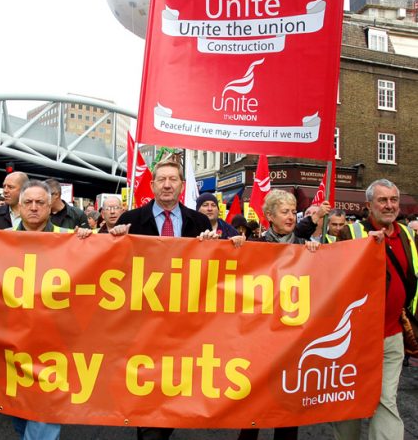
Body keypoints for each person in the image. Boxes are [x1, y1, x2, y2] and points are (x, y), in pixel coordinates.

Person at [0, 180, 92, 440]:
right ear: (19, 206)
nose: (34, 208)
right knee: (20, 405)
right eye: (28, 202)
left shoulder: (69, 237)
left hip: (54, 342)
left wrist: (93, 239)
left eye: (41, 203)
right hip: (12, 339)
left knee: (45, 410)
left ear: (51, 207)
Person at [115, 160, 220, 440]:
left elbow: (216, 268)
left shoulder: (198, 222)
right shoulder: (131, 219)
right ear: (152, 186)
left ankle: (161, 423)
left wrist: (217, 247)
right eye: (161, 179)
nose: (167, 184)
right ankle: (150, 427)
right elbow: (105, 261)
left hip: (183, 320)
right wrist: (108, 236)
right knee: (147, 380)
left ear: (182, 186)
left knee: (176, 379)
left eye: (173, 179)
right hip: (143, 318)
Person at [332, 179, 418, 440]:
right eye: (383, 200)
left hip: (391, 334)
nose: (390, 205)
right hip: (355, 338)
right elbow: (332, 277)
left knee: (386, 400)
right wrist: (365, 249)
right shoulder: (351, 233)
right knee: (349, 400)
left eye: (394, 199)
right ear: (369, 205)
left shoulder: (407, 234)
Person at [236, 189, 320, 440]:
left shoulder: (307, 248)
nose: (291, 217)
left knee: (287, 402)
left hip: (293, 338)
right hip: (261, 336)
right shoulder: (255, 247)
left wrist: (320, 255)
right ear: (270, 216)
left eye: (294, 211)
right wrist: (235, 248)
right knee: (256, 402)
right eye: (285, 212)